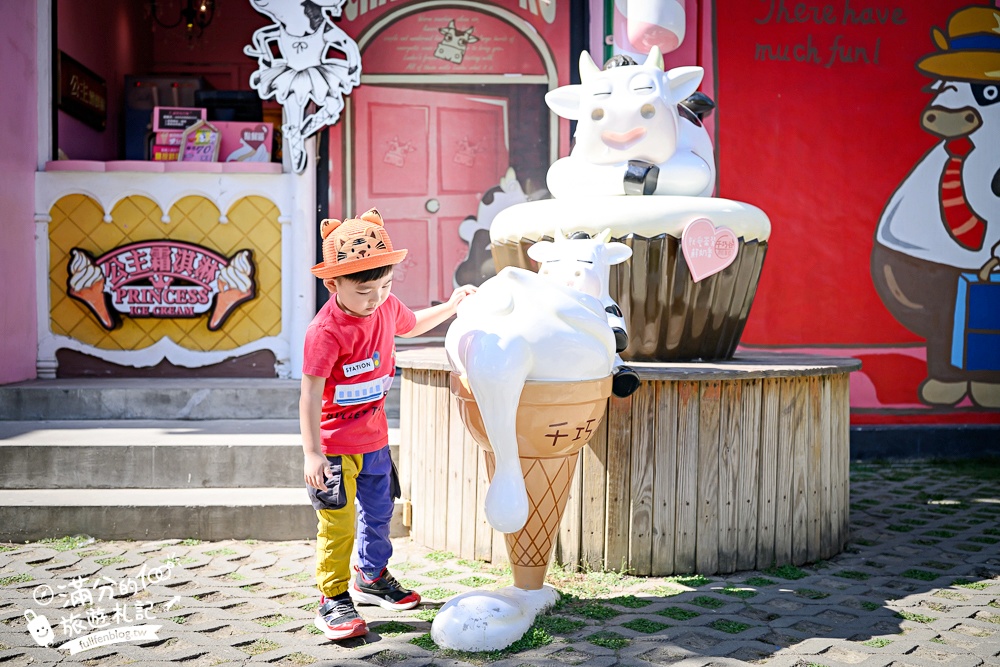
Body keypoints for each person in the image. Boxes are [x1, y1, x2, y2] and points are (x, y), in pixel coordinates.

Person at [300, 208, 476, 640]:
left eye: (385, 286)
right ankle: (333, 598)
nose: (376, 298)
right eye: (364, 291)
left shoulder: (385, 308)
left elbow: (413, 324)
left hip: (375, 442)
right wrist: (311, 453)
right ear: (333, 283)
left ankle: (371, 576)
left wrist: (452, 307)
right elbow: (308, 393)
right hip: (335, 450)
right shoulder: (325, 332)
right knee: (337, 525)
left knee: (379, 514)